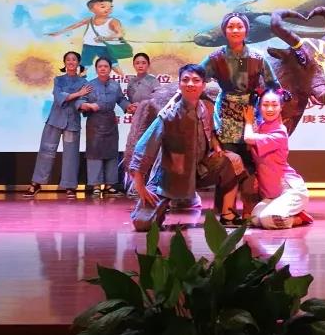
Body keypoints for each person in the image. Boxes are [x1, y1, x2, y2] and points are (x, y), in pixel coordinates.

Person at [128, 64, 248, 231]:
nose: (190, 84)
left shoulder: (205, 108)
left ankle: (228, 214)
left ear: (203, 85)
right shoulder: (168, 116)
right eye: (185, 80)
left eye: (196, 80)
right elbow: (143, 148)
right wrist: (140, 186)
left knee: (232, 160)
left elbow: (211, 131)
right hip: (170, 178)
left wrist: (216, 147)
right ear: (180, 84)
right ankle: (165, 204)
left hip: (199, 170)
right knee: (143, 224)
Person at [200, 12, 277, 220]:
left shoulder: (257, 57)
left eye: (239, 26)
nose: (235, 30)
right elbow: (197, 76)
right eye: (231, 27)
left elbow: (273, 85)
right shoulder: (216, 58)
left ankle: (250, 209)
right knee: (228, 161)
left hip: (251, 113)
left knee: (251, 160)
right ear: (224, 31)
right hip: (225, 112)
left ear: (246, 30)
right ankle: (226, 210)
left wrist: (269, 100)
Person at [23, 52, 91, 199]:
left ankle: (70, 186)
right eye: (68, 60)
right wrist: (77, 94)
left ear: (78, 63)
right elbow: (59, 97)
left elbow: (83, 99)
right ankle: (36, 183)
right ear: (64, 63)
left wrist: (81, 99)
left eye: (74, 59)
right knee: (46, 152)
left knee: (71, 155)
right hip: (55, 120)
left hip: (72, 122)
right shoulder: (58, 80)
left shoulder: (84, 82)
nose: (71, 62)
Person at [242, 89, 313, 229]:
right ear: (259, 107)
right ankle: (286, 213)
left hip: (290, 189)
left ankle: (299, 218)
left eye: (274, 105)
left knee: (269, 220)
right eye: (265, 105)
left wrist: (248, 122)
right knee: (255, 219)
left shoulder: (279, 132)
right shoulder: (262, 128)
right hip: (274, 194)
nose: (270, 109)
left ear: (281, 107)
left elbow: (248, 138)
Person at [81, 57, 135, 197]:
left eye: (106, 66)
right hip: (94, 122)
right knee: (94, 154)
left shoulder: (115, 85)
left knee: (111, 153)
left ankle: (110, 185)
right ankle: (96, 185)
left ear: (110, 69)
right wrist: (87, 105)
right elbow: (81, 101)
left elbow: (121, 99)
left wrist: (128, 106)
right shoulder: (89, 85)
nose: (103, 68)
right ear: (96, 69)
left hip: (110, 122)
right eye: (100, 66)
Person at [46, 0, 127, 76]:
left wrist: (106, 38)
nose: (108, 9)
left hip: (105, 47)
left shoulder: (113, 21)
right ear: (92, 10)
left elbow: (120, 33)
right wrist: (59, 32)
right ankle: (79, 81)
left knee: (114, 65)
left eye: (111, 7)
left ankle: (125, 78)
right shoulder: (90, 19)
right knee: (83, 67)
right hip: (88, 46)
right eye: (103, 7)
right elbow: (75, 26)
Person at [122, 52, 160, 196]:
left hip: (150, 121)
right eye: (137, 63)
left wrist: (143, 105)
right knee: (135, 151)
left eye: (143, 63)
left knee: (149, 152)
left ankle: (151, 185)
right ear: (134, 65)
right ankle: (135, 186)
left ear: (148, 65)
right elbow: (129, 100)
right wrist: (130, 107)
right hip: (137, 121)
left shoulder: (153, 81)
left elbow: (158, 99)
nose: (140, 65)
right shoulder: (131, 82)